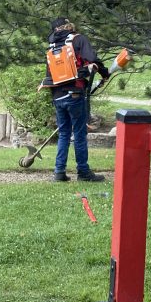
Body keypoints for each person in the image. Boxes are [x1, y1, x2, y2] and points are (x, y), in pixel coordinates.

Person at [39, 17, 109, 182]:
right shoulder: (78, 39)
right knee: (79, 134)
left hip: (57, 95)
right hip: (74, 93)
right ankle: (83, 172)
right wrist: (104, 73)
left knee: (64, 133)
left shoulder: (53, 46)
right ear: (68, 26)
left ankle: (59, 172)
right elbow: (92, 59)